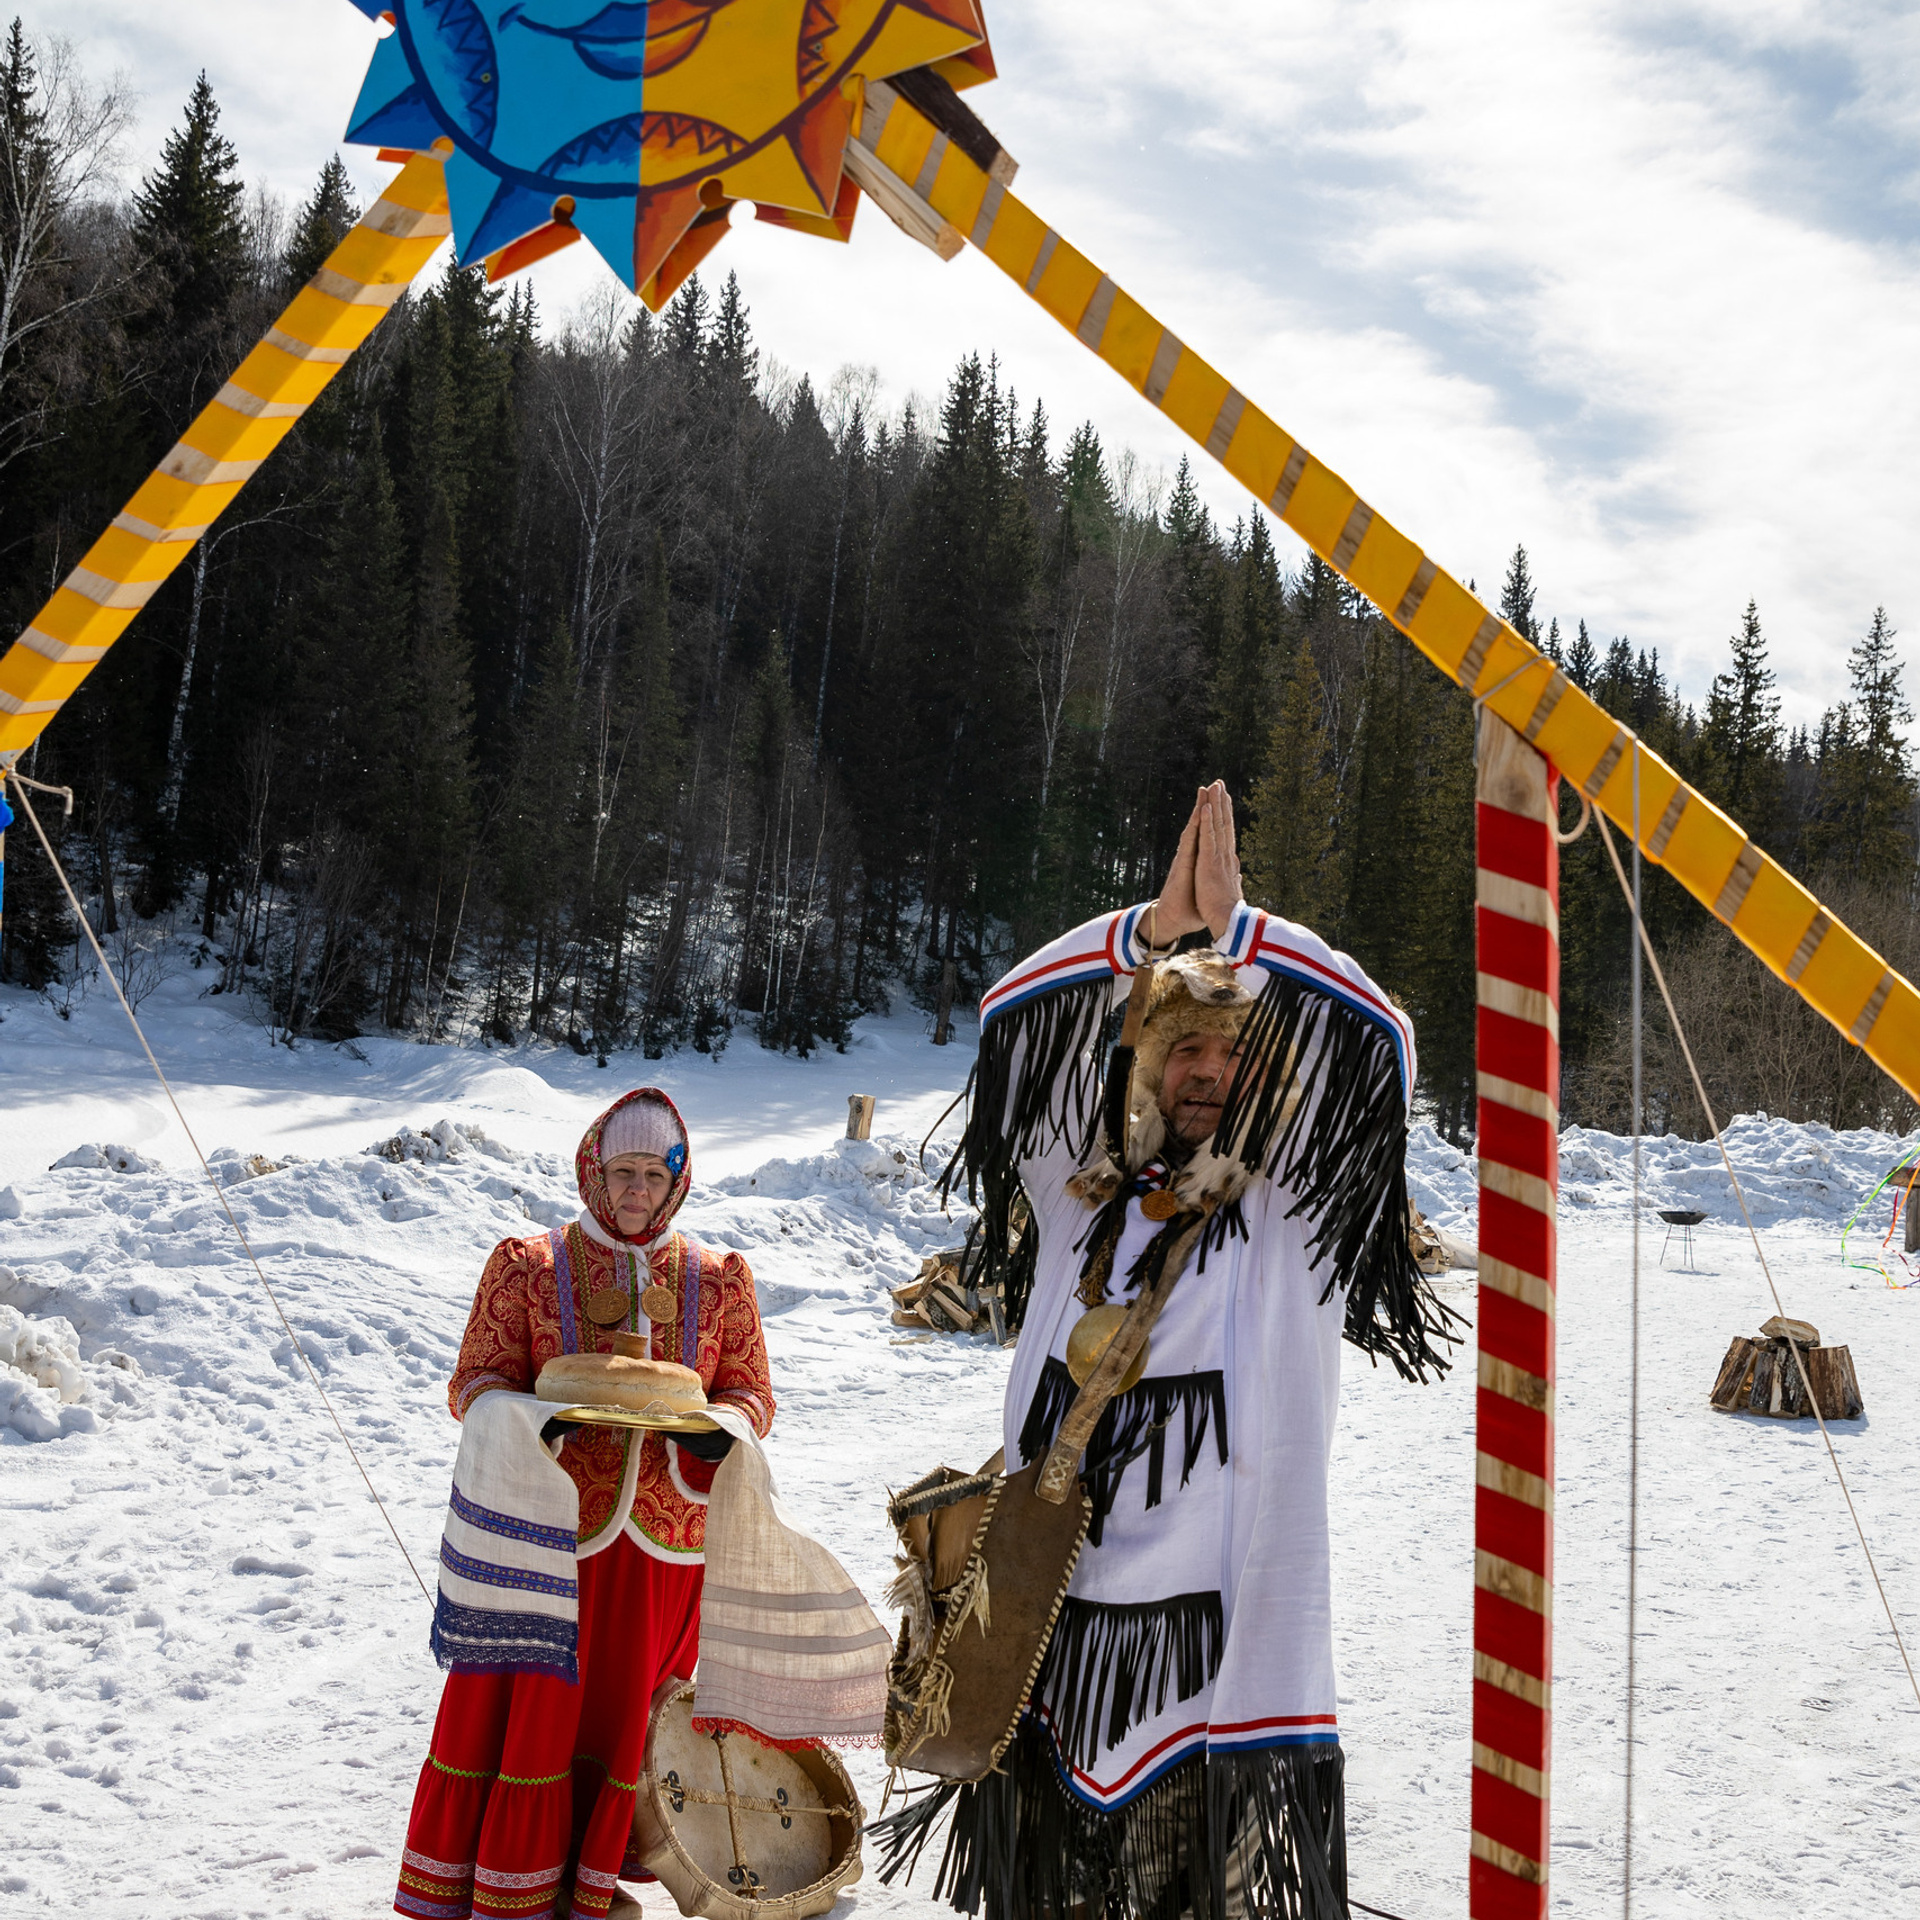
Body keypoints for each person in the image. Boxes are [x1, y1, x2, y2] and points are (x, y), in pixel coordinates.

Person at [891, 782, 1453, 1920]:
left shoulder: (1292, 1219)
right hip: (1048, 1644)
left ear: (1267, 1079)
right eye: (1180, 1044)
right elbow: (1009, 1018)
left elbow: (1381, 1043)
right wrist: (1145, 936)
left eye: (1229, 1050)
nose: (1203, 1067)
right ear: (1144, 1063)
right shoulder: (1075, 1193)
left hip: (1215, 1673)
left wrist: (1243, 932)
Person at [394, 1088, 773, 1920]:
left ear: (677, 1180)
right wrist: (536, 1419)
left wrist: (725, 1431)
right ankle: (512, 1881)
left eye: (652, 1173)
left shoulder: (718, 1281)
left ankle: (594, 1885)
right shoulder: (527, 1266)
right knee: (535, 1708)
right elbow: (475, 1385)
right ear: (591, 1172)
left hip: (664, 1544)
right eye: (620, 1173)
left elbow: (752, 1394)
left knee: (629, 1712)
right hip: (547, 1536)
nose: (634, 1191)